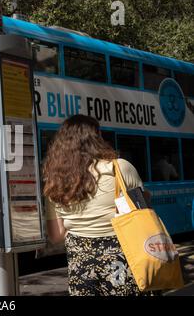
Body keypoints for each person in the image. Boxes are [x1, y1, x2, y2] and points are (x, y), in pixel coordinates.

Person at [43, 114, 151, 296]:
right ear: (96, 138)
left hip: (81, 267)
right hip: (121, 262)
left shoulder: (55, 182)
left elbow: (56, 236)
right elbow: (144, 211)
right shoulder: (120, 168)